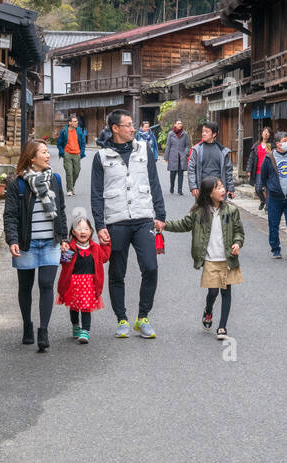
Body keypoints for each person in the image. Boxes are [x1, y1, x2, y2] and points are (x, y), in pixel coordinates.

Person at [91, 109, 167, 339]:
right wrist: (99, 224)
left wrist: (160, 214)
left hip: (143, 218)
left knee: (151, 267)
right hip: (116, 220)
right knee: (117, 272)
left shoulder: (143, 149)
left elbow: (154, 183)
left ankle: (143, 317)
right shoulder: (101, 157)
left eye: (132, 124)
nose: (133, 128)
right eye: (128, 125)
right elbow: (96, 193)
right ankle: (121, 318)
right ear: (115, 128)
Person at [3, 140, 69, 352]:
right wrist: (12, 240)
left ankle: (44, 330)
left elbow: (62, 210)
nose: (48, 156)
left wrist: (64, 237)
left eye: (47, 153)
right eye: (43, 152)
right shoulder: (18, 183)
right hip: (26, 244)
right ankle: (27, 325)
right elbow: (11, 215)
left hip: (51, 242)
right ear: (32, 157)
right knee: (25, 287)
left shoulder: (55, 180)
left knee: (46, 284)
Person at [164, 177, 244, 340]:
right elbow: (183, 224)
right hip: (209, 259)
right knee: (213, 291)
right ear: (209, 193)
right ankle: (208, 309)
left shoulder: (231, 210)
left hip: (227, 258)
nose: (222, 190)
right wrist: (164, 225)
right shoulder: (198, 212)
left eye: (223, 187)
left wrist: (237, 243)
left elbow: (238, 231)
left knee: (226, 291)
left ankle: (222, 327)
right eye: (218, 188)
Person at [58, 208, 111, 344]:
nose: (83, 232)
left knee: (86, 307)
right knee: (74, 307)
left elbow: (104, 258)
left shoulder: (95, 248)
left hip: (89, 283)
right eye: (79, 229)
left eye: (86, 229)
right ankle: (75, 325)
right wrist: (62, 250)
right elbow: (63, 262)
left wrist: (106, 244)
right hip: (73, 283)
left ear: (91, 231)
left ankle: (85, 331)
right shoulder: (70, 247)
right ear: (73, 232)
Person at [259, 129, 287, 260]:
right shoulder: (269, 158)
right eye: (284, 141)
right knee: (273, 224)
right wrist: (268, 190)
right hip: (274, 198)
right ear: (277, 143)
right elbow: (264, 176)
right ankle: (276, 249)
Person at [188, 120, 235, 201]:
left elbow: (228, 171)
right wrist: (193, 187)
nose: (203, 134)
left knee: (218, 212)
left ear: (214, 134)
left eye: (206, 132)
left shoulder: (223, 151)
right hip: (202, 188)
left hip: (218, 189)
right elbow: (191, 169)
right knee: (203, 212)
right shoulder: (197, 150)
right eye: (203, 131)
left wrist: (230, 188)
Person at [246, 125, 273, 211]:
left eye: (268, 132)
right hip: (258, 171)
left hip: (268, 171)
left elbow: (274, 158)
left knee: (267, 189)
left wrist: (271, 153)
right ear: (261, 133)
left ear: (270, 134)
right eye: (264, 131)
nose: (266, 133)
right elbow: (251, 159)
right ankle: (263, 200)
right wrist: (248, 170)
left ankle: (268, 206)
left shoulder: (271, 145)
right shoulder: (256, 145)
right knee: (258, 189)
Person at [58, 114, 86, 195]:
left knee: (76, 171)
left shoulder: (79, 130)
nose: (77, 122)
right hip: (67, 154)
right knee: (69, 172)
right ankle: (69, 190)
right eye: (74, 121)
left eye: (77, 121)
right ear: (70, 123)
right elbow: (59, 143)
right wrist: (62, 153)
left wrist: (82, 153)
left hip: (77, 154)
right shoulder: (64, 131)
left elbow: (83, 143)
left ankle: (72, 185)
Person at [164, 119, 191, 197]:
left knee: (181, 173)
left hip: (182, 157)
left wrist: (186, 152)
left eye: (181, 123)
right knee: (172, 173)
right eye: (178, 123)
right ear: (175, 125)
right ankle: (172, 187)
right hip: (173, 156)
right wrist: (166, 156)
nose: (180, 125)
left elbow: (187, 145)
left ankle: (180, 190)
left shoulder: (185, 134)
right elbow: (168, 145)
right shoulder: (170, 134)